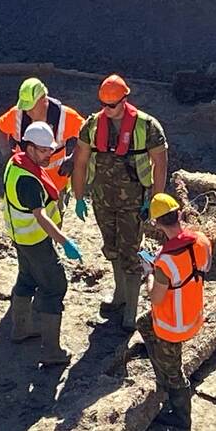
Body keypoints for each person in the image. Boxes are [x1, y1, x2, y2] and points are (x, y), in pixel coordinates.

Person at [71, 74, 169, 330]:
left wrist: (155, 200)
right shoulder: (91, 126)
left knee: (131, 252)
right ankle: (120, 296)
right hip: (102, 200)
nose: (107, 109)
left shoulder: (147, 126)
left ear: (125, 100)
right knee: (111, 247)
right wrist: (79, 196)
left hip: (134, 202)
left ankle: (131, 311)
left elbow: (160, 164)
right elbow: (80, 162)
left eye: (112, 105)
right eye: (103, 104)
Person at [3, 121, 83, 366]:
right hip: (35, 240)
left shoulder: (15, 164)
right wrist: (64, 240)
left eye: (50, 149)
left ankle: (20, 329)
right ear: (29, 147)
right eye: (43, 150)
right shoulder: (27, 180)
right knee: (54, 286)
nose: (50, 153)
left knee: (27, 278)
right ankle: (51, 352)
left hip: (21, 238)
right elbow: (41, 216)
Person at [140, 193, 212, 430]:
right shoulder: (201, 240)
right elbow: (206, 266)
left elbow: (156, 297)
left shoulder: (164, 261)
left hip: (172, 326)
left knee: (174, 372)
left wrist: (149, 272)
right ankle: (162, 373)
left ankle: (181, 416)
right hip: (194, 315)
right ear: (179, 214)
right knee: (143, 324)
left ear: (156, 223)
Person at [0, 77, 85, 209]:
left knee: (54, 222)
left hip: (55, 185)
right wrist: (7, 153)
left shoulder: (64, 116)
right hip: (25, 183)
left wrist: (73, 159)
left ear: (44, 100)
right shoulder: (18, 114)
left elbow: (87, 135)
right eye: (25, 107)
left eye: (31, 107)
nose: (27, 112)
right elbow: (1, 128)